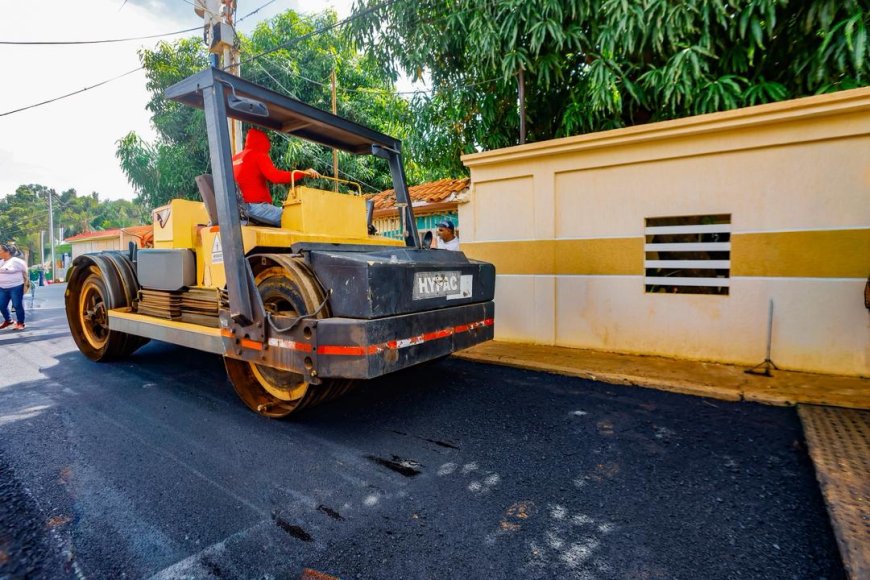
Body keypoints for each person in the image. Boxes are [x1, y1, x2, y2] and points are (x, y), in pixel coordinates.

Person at [232, 127, 321, 227]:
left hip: (238, 209)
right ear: (264, 141)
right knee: (295, 218)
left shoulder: (235, 158)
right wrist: (303, 173)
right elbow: (275, 177)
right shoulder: (258, 154)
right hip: (255, 208)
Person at [0, 243, 28, 330]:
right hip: (2, 287)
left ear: (7, 252)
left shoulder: (17, 261)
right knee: (1, 305)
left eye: (0, 250)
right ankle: (8, 321)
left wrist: (26, 283)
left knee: (17, 305)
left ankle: (20, 323)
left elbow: (24, 271)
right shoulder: (1, 262)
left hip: (16, 287)